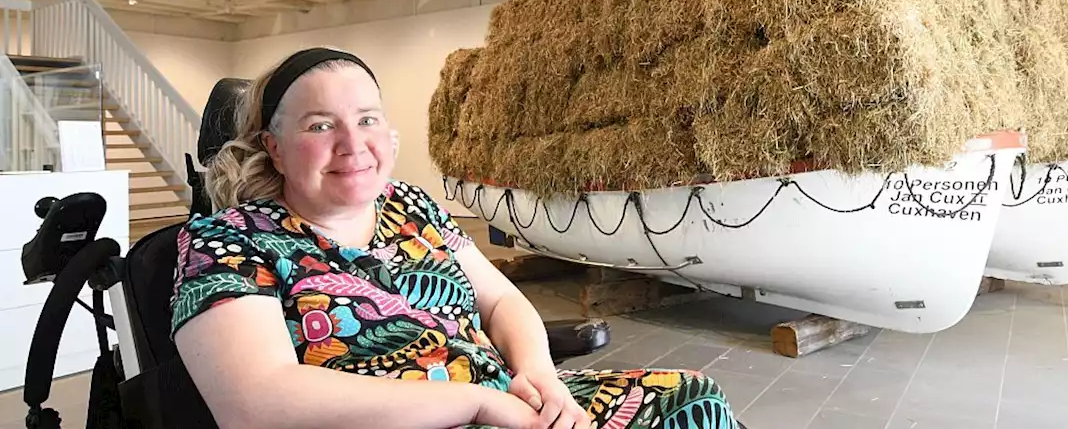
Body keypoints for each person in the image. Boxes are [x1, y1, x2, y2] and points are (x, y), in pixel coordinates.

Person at [171, 47, 739, 429]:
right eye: (320, 125)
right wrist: (472, 400)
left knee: (693, 400)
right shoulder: (229, 240)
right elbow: (253, 401)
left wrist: (537, 369)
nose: (353, 143)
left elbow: (499, 299)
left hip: (504, 403)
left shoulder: (412, 206)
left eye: (366, 119)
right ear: (274, 147)